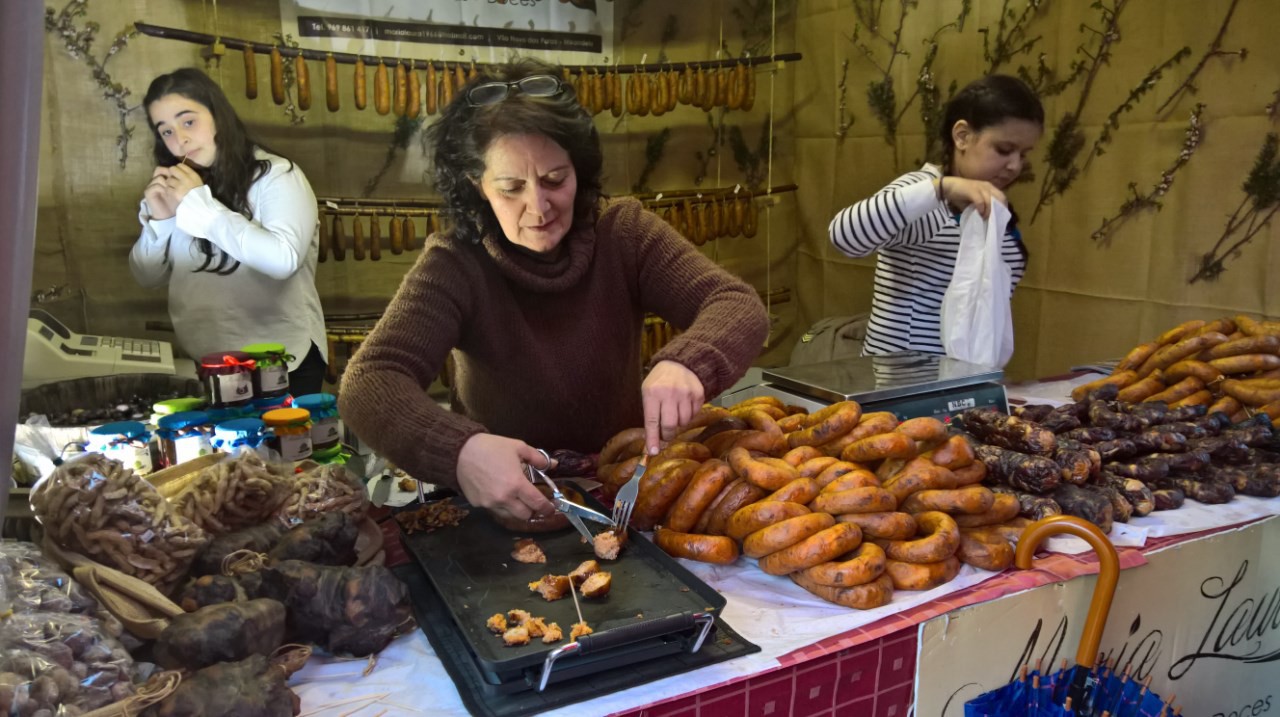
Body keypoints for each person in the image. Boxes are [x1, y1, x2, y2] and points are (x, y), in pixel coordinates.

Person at [338, 59, 769, 525]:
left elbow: (736, 304)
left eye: (554, 180)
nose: (538, 207)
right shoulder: (455, 263)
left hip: (624, 491)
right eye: (511, 188)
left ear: (578, 170)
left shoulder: (624, 233)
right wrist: (460, 450)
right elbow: (369, 380)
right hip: (506, 504)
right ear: (477, 186)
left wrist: (690, 360)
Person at [129, 68, 328, 396]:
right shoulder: (175, 184)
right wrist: (161, 221)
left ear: (218, 115)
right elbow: (147, 276)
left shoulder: (277, 176)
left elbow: (283, 260)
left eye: (188, 121)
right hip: (209, 364)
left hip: (282, 362)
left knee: (285, 448)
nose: (180, 139)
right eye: (165, 131)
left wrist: (200, 206)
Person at [828, 74, 1044, 357]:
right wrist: (942, 188)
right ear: (962, 136)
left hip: (964, 382)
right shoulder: (924, 194)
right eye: (1004, 150)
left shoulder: (994, 210)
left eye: (1024, 154)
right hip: (901, 384)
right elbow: (844, 236)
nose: (1015, 166)